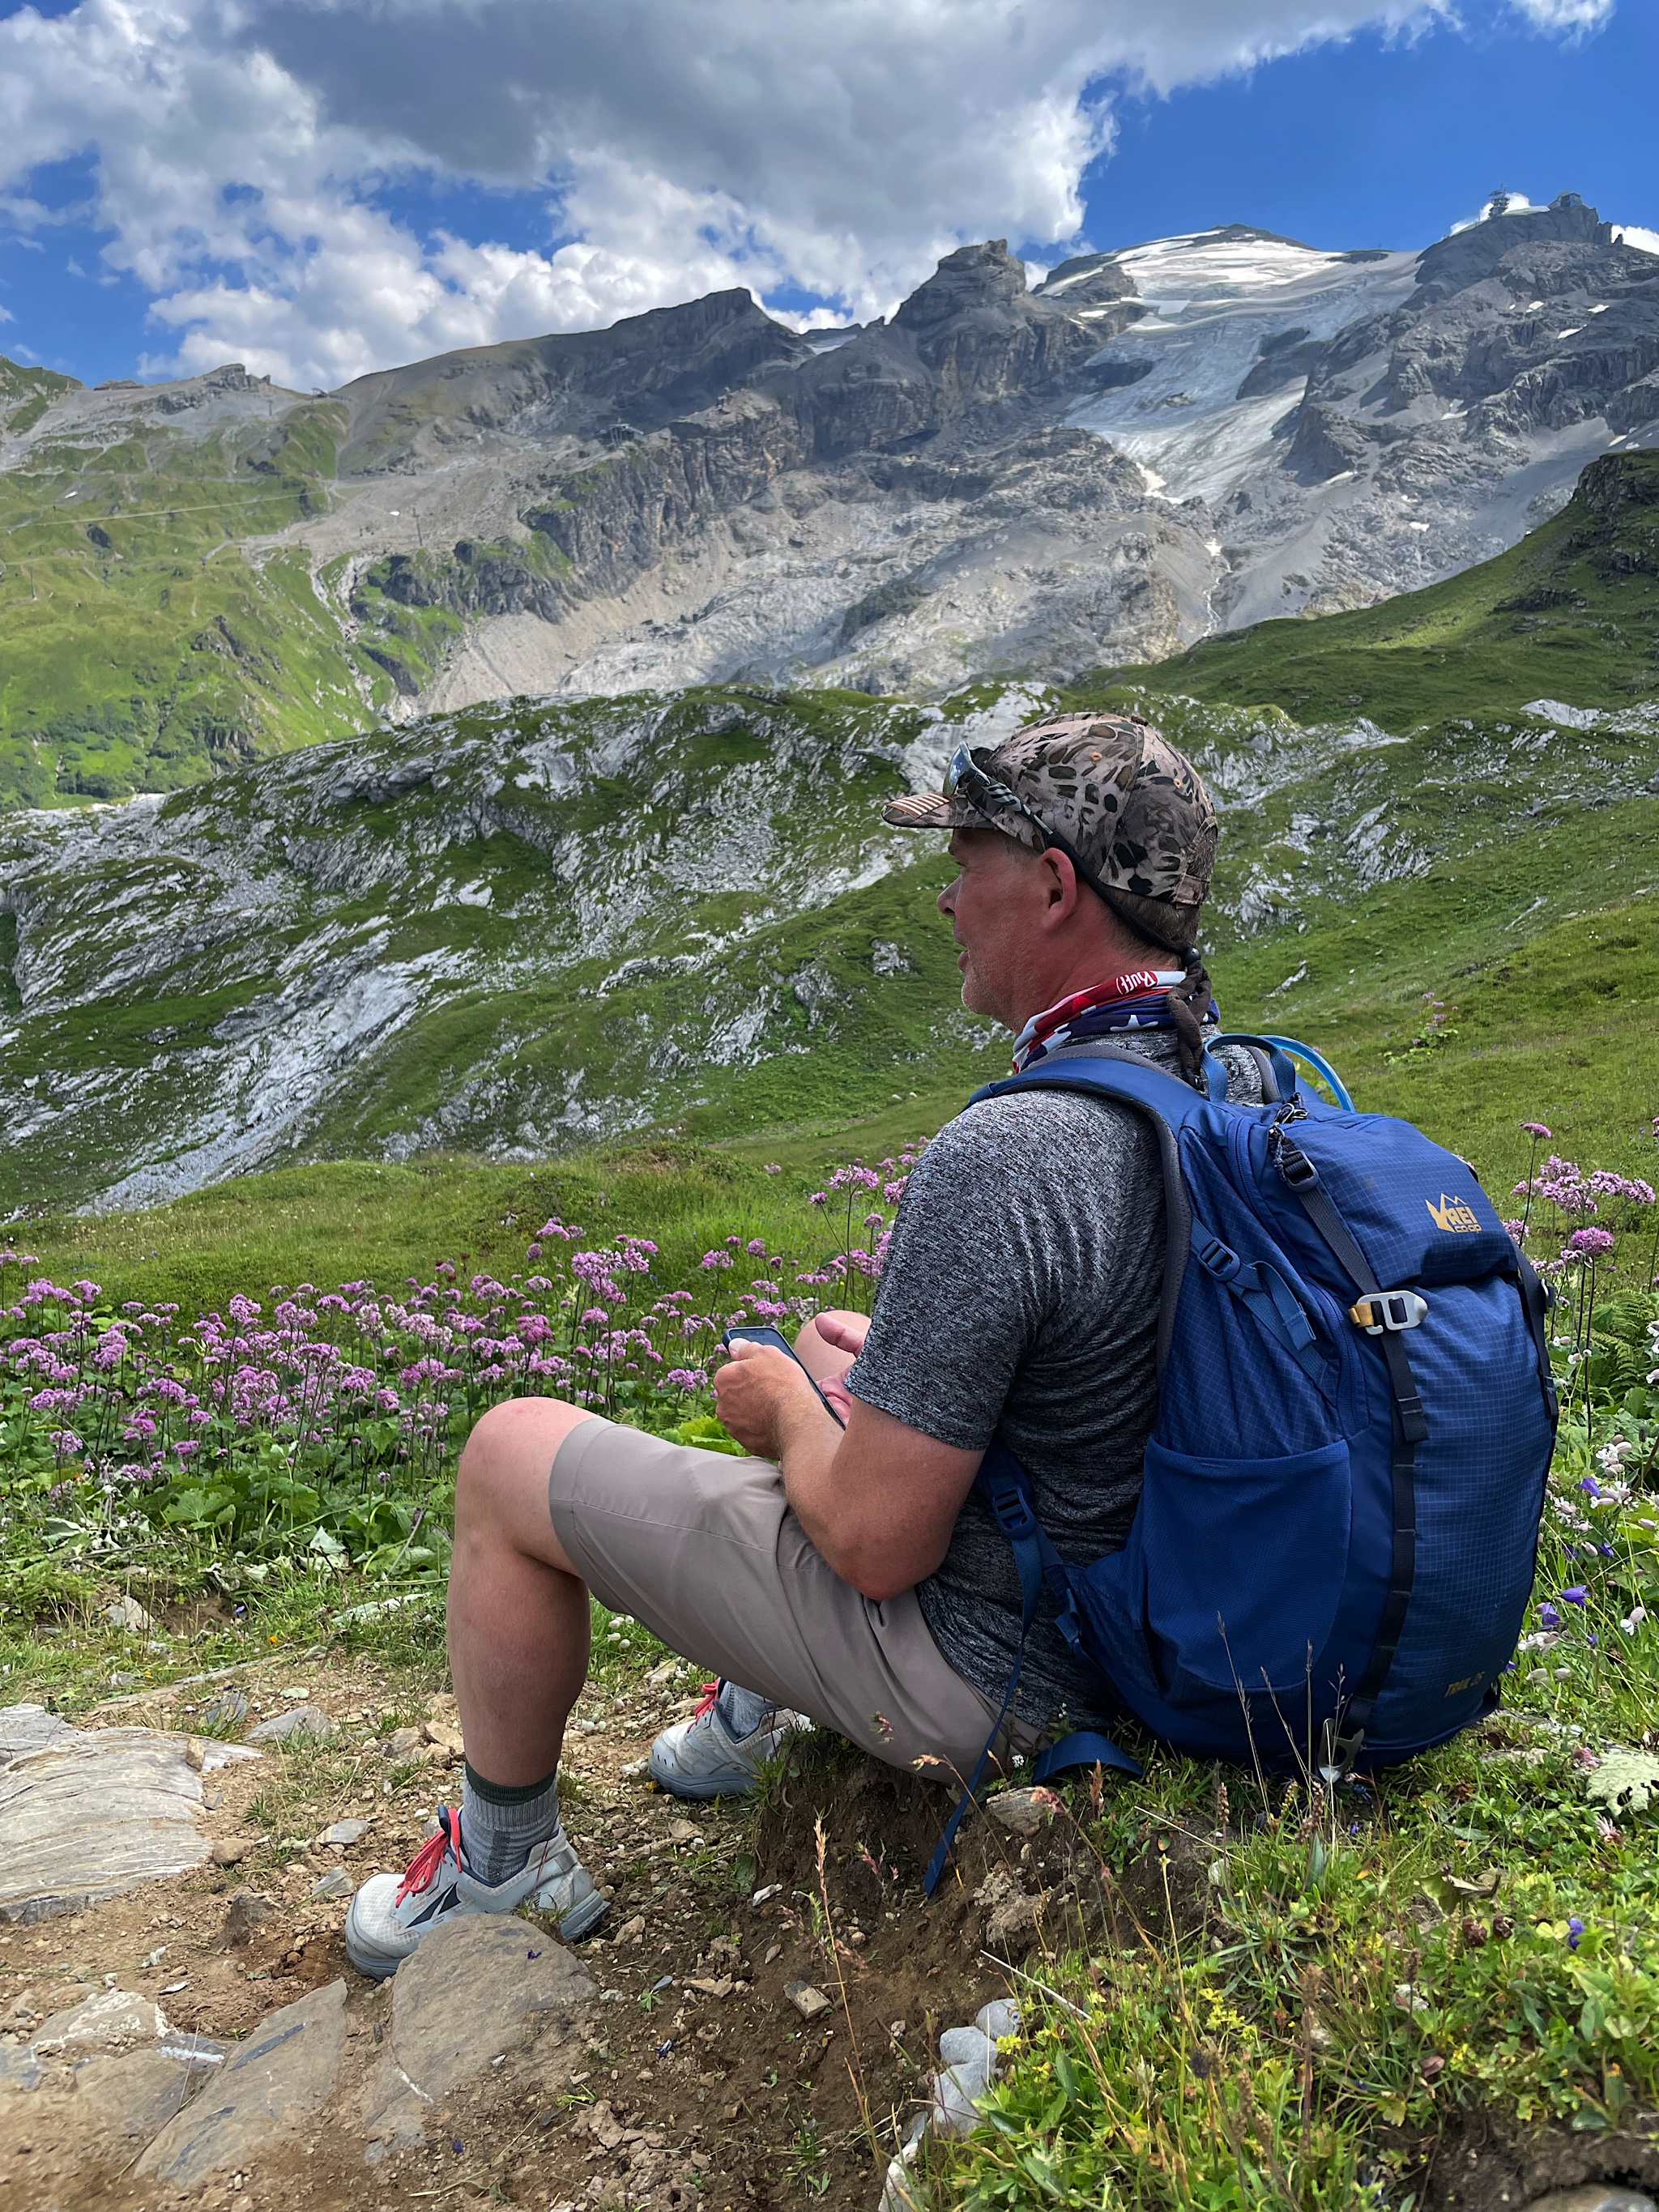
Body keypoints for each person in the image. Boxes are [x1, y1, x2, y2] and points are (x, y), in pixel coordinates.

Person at [344, 710, 1258, 1980]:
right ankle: (748, 1720)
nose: (946, 898)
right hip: (1184, 1616)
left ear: (1054, 887)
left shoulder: (1011, 1152)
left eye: (968, 860)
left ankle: (500, 1864)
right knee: (844, 1356)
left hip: (1011, 1679)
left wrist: (782, 1407)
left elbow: (881, 1545)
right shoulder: (1234, 1082)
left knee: (510, 1454)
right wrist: (855, 1378)